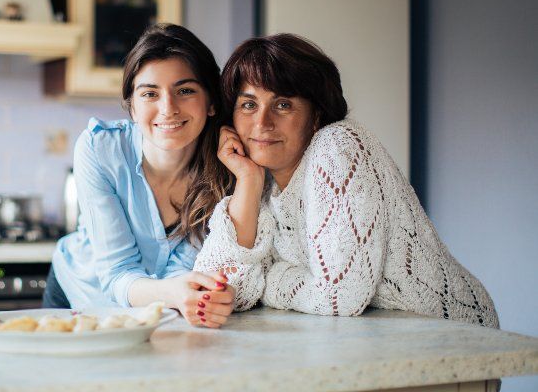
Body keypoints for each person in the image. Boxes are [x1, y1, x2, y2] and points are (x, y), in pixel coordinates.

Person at [193, 33, 499, 328]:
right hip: (378, 340)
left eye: (283, 104)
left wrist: (271, 278)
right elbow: (213, 289)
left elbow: (340, 297)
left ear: (315, 116)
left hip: (451, 331)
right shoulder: (262, 182)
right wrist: (247, 180)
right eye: (248, 105)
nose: (262, 123)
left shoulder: (338, 146)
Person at [45, 24, 235, 329]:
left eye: (185, 90)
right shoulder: (100, 149)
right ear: (131, 106)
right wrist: (175, 292)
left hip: (162, 311)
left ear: (211, 102)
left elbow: (187, 272)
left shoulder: (227, 168)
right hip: (80, 296)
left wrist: (187, 293)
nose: (167, 108)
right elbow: (117, 272)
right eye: (150, 94)